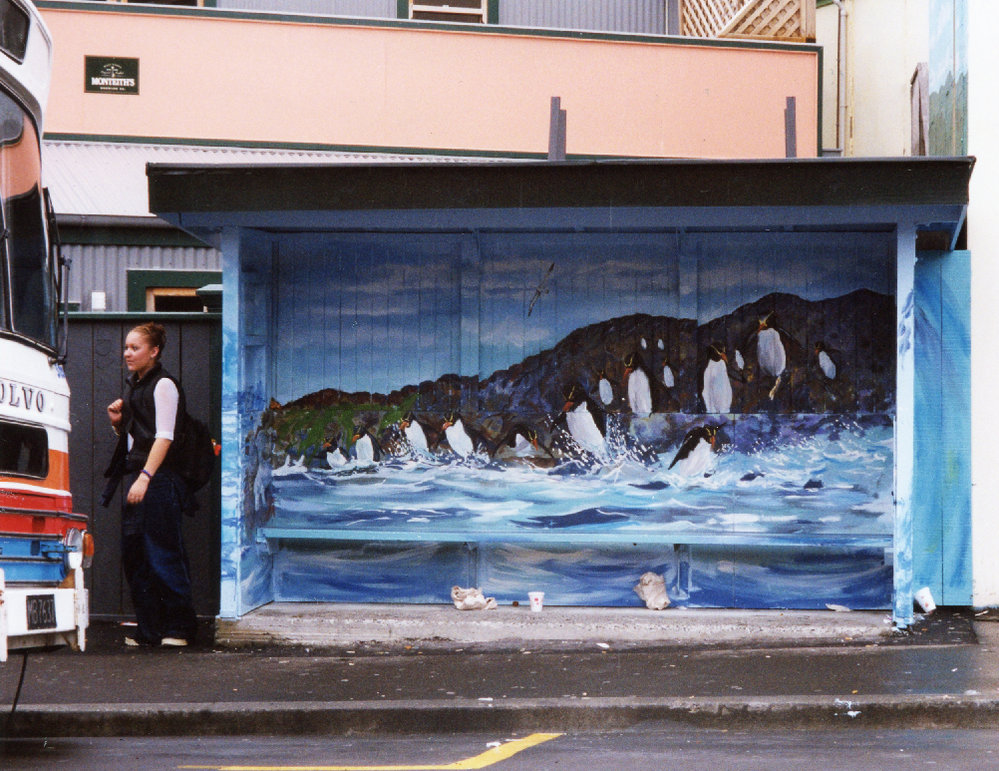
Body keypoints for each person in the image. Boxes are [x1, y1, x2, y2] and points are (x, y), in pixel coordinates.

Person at [105, 322, 197, 647]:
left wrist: (145, 477)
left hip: (160, 480)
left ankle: (179, 629)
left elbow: (165, 437)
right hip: (139, 477)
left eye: (135, 348)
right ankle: (150, 630)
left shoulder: (164, 385)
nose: (127, 353)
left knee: (163, 552)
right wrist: (119, 425)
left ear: (154, 351)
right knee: (136, 555)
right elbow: (136, 439)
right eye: (126, 347)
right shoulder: (135, 386)